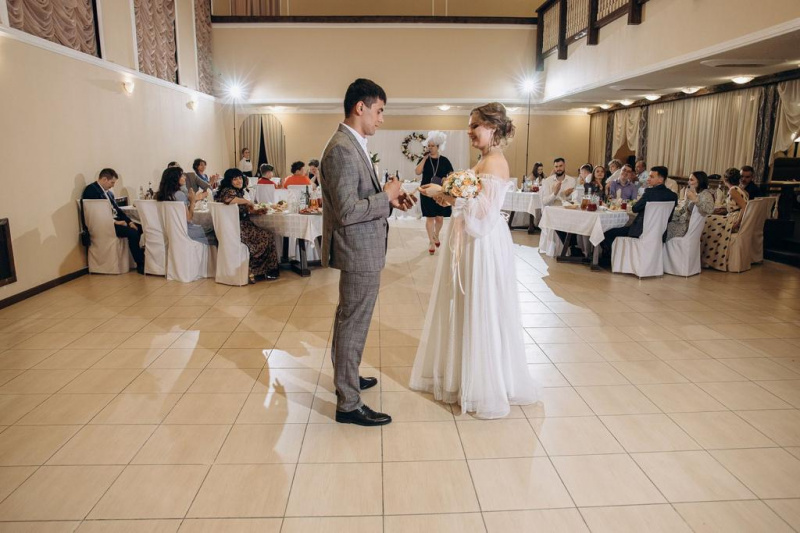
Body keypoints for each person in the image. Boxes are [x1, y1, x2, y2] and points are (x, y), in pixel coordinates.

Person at [412, 103, 540, 418]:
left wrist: (445, 192)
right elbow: (470, 201)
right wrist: (442, 195)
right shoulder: (484, 159)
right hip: (469, 239)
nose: (469, 131)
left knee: (481, 305)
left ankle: (483, 385)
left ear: (493, 128)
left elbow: (484, 213)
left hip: (482, 243)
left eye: (474, 126)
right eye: (469, 125)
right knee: (466, 304)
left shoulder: (495, 162)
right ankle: (463, 376)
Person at [320, 78, 414, 427]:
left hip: (363, 247)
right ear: (361, 107)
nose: (382, 119)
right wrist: (385, 195)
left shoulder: (352, 144)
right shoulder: (342, 149)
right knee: (353, 322)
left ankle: (348, 378)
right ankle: (348, 403)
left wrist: (389, 202)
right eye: (380, 111)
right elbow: (346, 211)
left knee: (350, 318)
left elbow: (359, 199)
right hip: (357, 250)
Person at [215, 168, 280, 282]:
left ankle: (264, 270)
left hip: (243, 225)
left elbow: (241, 209)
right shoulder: (227, 191)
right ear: (229, 181)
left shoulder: (238, 192)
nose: (239, 181)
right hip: (237, 227)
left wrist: (256, 211)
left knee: (268, 234)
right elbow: (228, 199)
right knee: (267, 236)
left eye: (240, 178)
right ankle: (259, 270)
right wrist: (247, 201)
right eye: (235, 179)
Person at [601, 166, 678, 260]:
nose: (648, 179)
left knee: (607, 233)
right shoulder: (673, 196)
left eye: (651, 177)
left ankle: (611, 260)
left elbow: (635, 208)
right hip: (660, 234)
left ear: (660, 180)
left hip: (639, 232)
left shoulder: (649, 193)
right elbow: (669, 219)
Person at [81, 168, 145, 274]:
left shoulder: (109, 193)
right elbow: (96, 214)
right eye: (112, 182)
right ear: (104, 179)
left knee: (139, 228)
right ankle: (140, 263)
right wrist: (115, 222)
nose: (113, 186)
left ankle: (137, 258)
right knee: (133, 233)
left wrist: (130, 222)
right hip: (104, 226)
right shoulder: (91, 190)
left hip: (114, 221)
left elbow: (118, 210)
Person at [701, 167, 749, 271]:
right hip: (733, 216)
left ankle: (708, 259)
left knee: (707, 221)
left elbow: (744, 207)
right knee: (710, 218)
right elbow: (736, 206)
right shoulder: (740, 189)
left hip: (734, 220)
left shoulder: (733, 191)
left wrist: (737, 222)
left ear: (725, 179)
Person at [415, 131, 454, 255]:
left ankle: (436, 235)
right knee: (430, 217)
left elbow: (451, 175)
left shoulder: (444, 160)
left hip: (439, 192)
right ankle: (431, 241)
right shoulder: (424, 159)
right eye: (428, 146)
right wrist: (424, 158)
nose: (430, 148)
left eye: (432, 146)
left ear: (438, 147)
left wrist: (446, 179)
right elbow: (417, 172)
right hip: (426, 191)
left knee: (440, 218)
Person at [155, 166, 216, 245]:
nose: (185, 177)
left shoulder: (160, 196)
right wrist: (192, 201)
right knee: (214, 231)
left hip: (170, 231)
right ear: (175, 179)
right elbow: (188, 219)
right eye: (182, 175)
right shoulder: (179, 195)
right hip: (186, 232)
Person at [667, 171, 715, 240]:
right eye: (689, 179)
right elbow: (684, 210)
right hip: (682, 222)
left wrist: (695, 199)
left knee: (662, 229)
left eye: (691, 180)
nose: (688, 182)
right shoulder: (692, 192)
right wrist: (669, 215)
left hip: (686, 228)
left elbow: (709, 210)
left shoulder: (706, 194)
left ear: (700, 181)